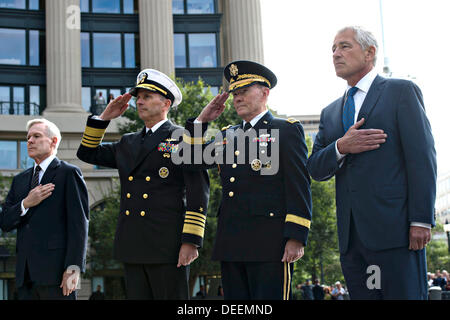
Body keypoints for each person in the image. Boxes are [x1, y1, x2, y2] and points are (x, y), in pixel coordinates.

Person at [307, 26, 436, 300]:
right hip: (352, 241)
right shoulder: (330, 112)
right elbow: (315, 167)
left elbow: (422, 158)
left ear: (370, 52)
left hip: (398, 233)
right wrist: (341, 146)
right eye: (333, 49)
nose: (336, 54)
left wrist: (422, 219)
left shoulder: (401, 91)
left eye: (344, 46)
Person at [182, 60, 312, 300]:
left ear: (265, 92)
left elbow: (298, 185)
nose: (237, 98)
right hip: (231, 243)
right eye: (234, 94)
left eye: (243, 92)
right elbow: (190, 160)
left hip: (270, 243)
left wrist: (296, 236)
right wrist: (201, 122)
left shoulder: (285, 130)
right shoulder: (227, 136)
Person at [76, 68, 210, 300]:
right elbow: (87, 153)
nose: (139, 101)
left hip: (168, 244)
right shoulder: (129, 142)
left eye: (147, 96)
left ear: (166, 103)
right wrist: (104, 118)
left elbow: (198, 191)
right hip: (133, 243)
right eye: (138, 97)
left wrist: (191, 241)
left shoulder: (183, 137)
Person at [0, 119, 89, 300]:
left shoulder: (68, 173)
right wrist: (26, 203)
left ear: (53, 141)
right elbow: (5, 222)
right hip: (25, 276)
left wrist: (74, 268)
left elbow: (79, 225)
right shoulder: (20, 180)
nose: (30, 141)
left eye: (36, 136)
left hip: (57, 274)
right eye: (28, 137)